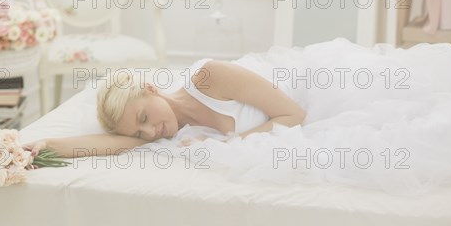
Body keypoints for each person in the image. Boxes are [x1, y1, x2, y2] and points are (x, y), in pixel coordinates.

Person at [22, 58, 307, 161]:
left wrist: (229, 144)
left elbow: (294, 115)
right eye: (138, 132)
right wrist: (43, 145)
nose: (149, 132)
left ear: (150, 88)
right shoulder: (160, 132)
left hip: (303, 94)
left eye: (143, 118)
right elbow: (103, 144)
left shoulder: (211, 76)